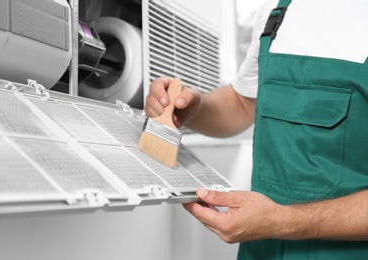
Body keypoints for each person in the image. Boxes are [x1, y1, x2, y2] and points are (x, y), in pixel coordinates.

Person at [144, 0, 368, 259]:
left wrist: (281, 221)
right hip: (262, 247)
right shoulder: (278, 9)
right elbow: (243, 103)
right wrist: (196, 109)